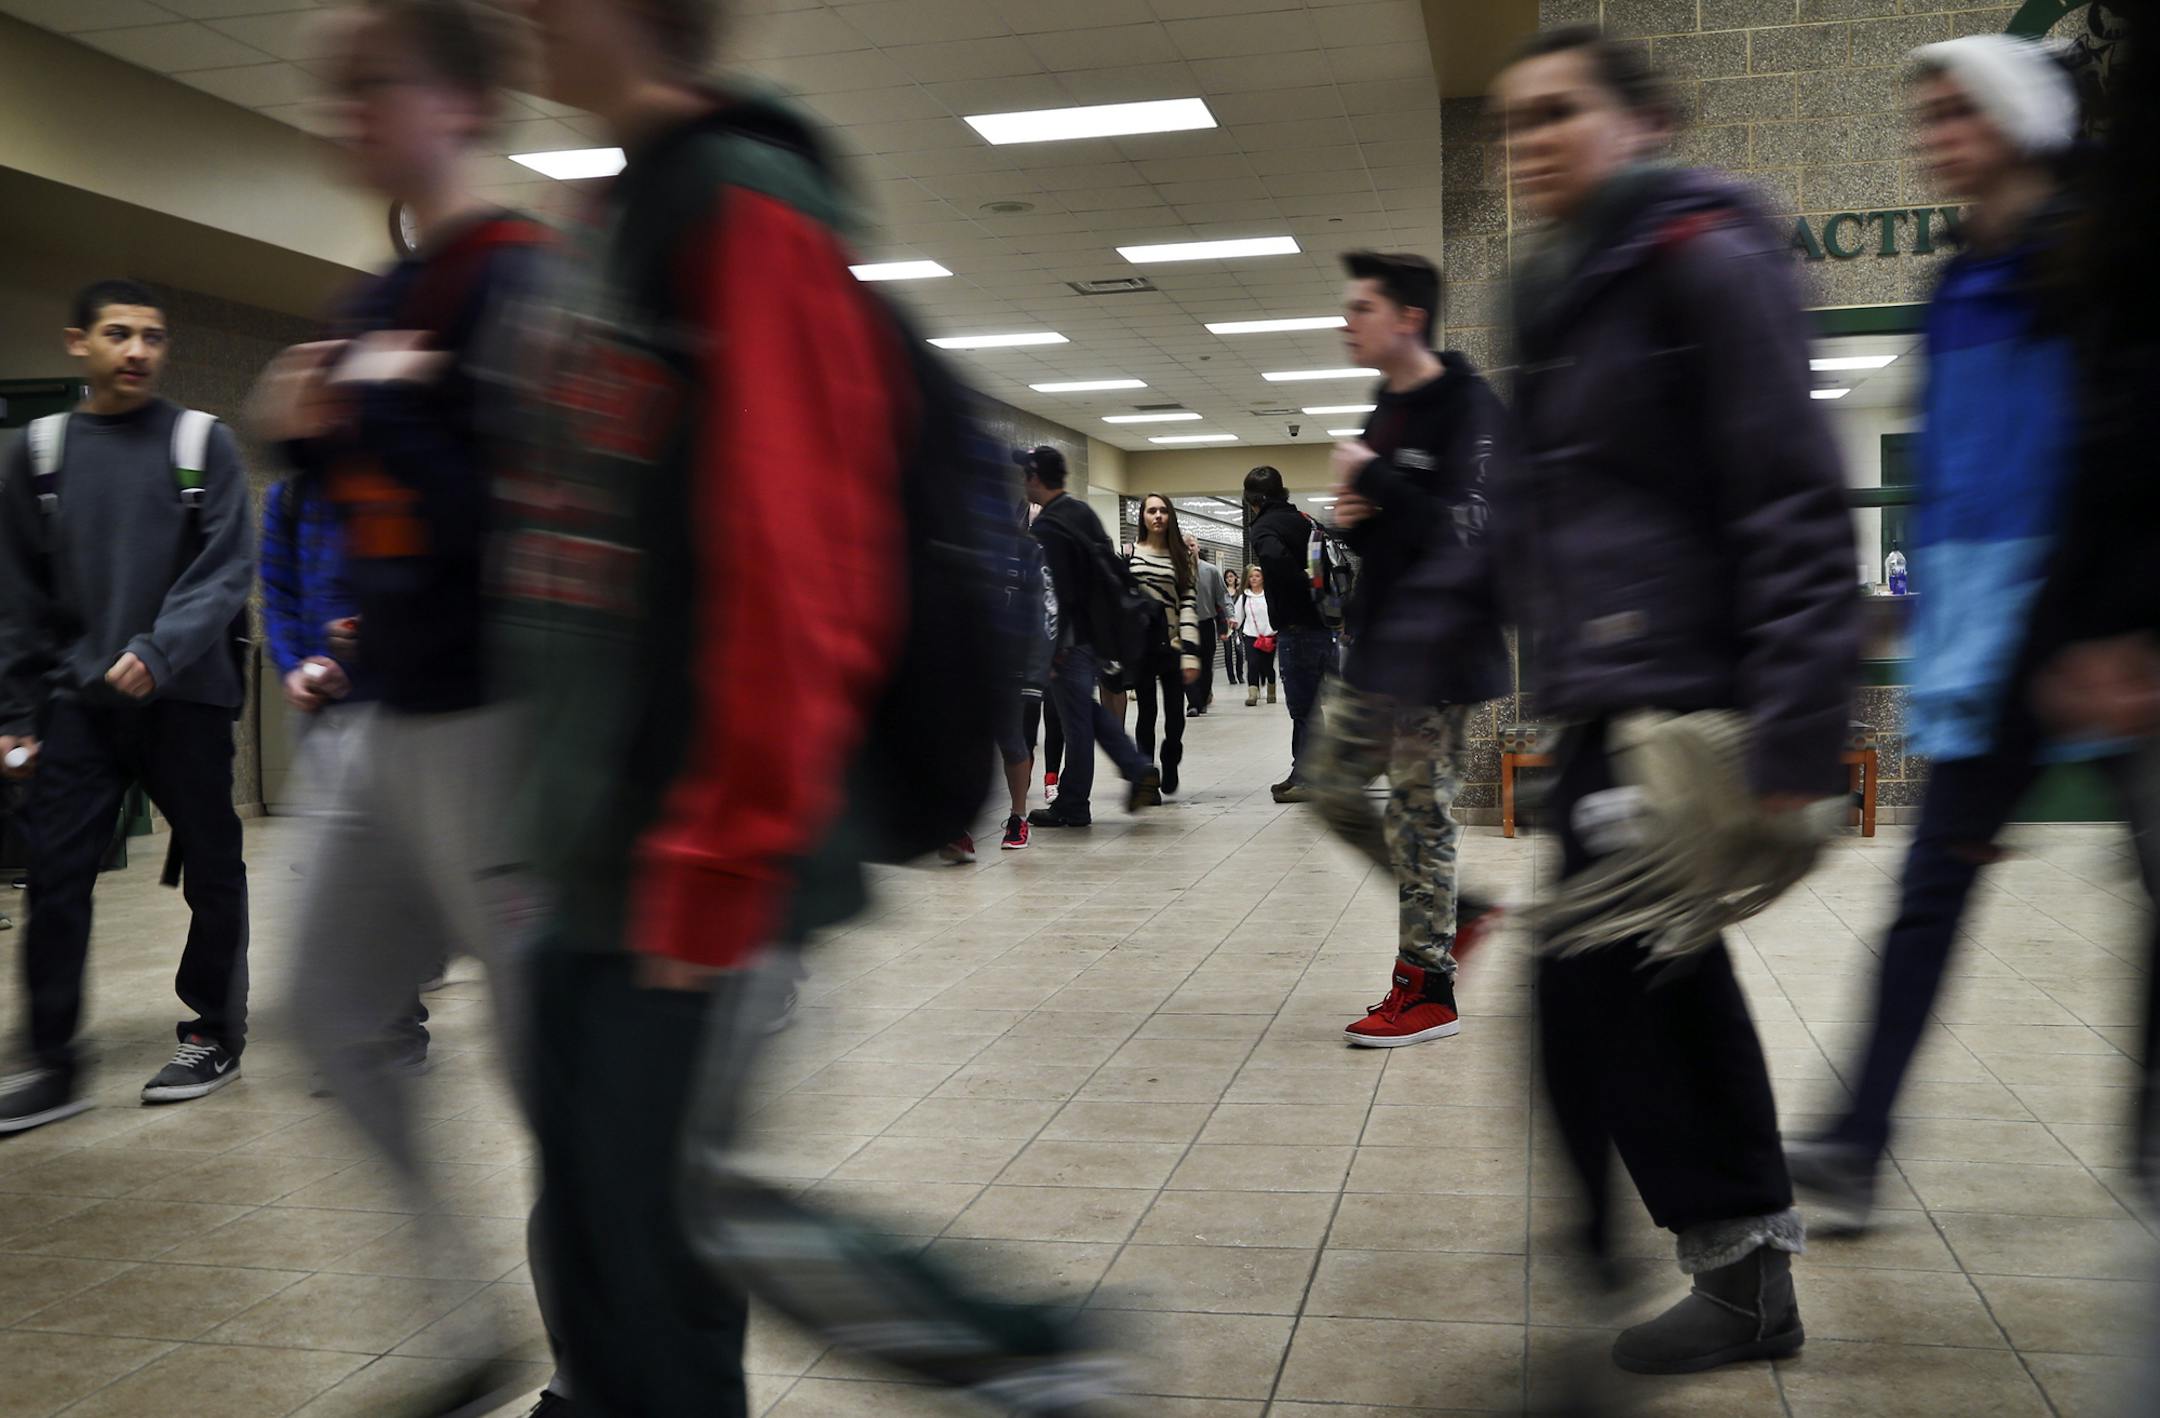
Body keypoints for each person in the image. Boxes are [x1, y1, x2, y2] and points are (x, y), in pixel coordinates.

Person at [498, 4, 1121, 1413]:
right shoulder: (623, 212)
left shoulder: (739, 206)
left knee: (668, 1221)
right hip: (598, 830)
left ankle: (1025, 1351)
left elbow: (793, 561)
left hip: (698, 833)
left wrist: (722, 850)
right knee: (609, 1212)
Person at [1494, 27, 1857, 1374]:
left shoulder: (1704, 255)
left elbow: (1794, 498)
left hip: (1681, 702)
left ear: (1642, 122)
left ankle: (1701, 1265)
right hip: (1607, 693)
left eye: (1560, 112)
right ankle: (1721, 1260)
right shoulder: (1565, 292)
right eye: (1515, 121)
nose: (1531, 140)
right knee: (1643, 981)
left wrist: (1800, 730)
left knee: (1611, 987)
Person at [245, 3, 561, 1409]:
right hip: (384, 719)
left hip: (503, 726)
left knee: (557, 1074)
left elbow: (508, 523)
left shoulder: (524, 285)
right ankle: (461, 1306)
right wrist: (307, 428)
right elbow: (353, 494)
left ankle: (607, 1361)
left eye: (375, 86)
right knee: (322, 1006)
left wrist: (381, 415)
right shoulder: (379, 302)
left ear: (462, 100)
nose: (347, 114)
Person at [1785, 34, 2142, 1231]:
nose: (1933, 132)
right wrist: (1911, 602)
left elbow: (2128, 452)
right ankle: (1855, 1137)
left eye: (1956, 110)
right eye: (1923, 112)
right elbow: (1960, 473)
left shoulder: (2106, 249)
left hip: (2116, 626)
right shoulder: (1956, 281)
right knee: (1931, 890)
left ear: (2017, 119)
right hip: (2000, 630)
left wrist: (2123, 627)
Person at [0, 279, 254, 1132]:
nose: (137, 350)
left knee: (211, 868)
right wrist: (15, 714)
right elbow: (17, 599)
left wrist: (157, 651)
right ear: (79, 343)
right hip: (78, 701)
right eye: (118, 334)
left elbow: (222, 568)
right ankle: (54, 1062)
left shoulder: (198, 441)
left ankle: (212, 1031)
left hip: (184, 695)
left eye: (151, 336)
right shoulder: (36, 452)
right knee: (57, 877)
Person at [1307, 250, 1511, 1048]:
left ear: (1408, 320)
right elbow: (1399, 526)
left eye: (1361, 308)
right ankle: (1459, 911)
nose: (1345, 322)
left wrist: (1379, 484)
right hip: (1381, 647)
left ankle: (1428, 990)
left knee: (1419, 818)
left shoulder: (1468, 407)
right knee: (1329, 791)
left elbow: (1475, 533)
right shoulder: (1380, 410)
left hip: (1445, 648)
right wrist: (1356, 517)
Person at [259, 470, 434, 1072]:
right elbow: (278, 593)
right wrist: (291, 664)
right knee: (330, 868)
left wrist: (358, 652)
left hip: (392, 701)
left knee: (390, 863)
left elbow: (423, 587)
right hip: (319, 704)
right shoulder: (290, 494)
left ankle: (397, 1029)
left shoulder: (396, 476)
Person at [1027, 447, 1163, 828]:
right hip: (1097, 633)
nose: (1024, 482)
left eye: (1027, 475)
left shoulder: (1048, 527)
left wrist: (1050, 649)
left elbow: (1057, 594)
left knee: (1076, 723)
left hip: (1068, 639)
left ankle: (1075, 803)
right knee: (1084, 713)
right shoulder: (1081, 512)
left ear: (1036, 477)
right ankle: (1135, 768)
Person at [1244, 465, 1330, 800]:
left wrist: (1299, 590)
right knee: (1314, 705)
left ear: (1253, 499)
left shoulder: (1264, 526)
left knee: (1303, 706)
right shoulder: (1306, 521)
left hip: (1298, 629)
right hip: (1323, 627)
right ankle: (1305, 772)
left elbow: (1278, 564)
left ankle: (1309, 778)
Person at [1127, 495, 1200, 795]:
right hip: (1141, 646)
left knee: (1175, 714)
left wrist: (1191, 653)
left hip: (1172, 644)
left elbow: (1188, 603)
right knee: (1146, 714)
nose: (1157, 516)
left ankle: (1170, 758)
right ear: (1142, 517)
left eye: (1163, 511)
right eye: (1151, 510)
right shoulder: (1128, 554)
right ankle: (1148, 779)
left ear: (1170, 516)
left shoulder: (1181, 557)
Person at [1186, 537, 1231, 716]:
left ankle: (1203, 698)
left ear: (1197, 547)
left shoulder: (1211, 571)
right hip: (1185, 625)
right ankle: (1193, 704)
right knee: (1187, 664)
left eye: (1191, 545)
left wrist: (1231, 616)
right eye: (1184, 546)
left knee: (1205, 665)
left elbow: (1223, 597)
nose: (1188, 549)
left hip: (1205, 623)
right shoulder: (1175, 570)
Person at [1239, 564, 1277, 707]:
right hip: (1251, 635)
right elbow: (1238, 616)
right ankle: (1252, 694)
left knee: (1267, 666)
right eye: (1251, 577)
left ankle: (1271, 689)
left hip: (1269, 635)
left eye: (1257, 576)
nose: (1254, 579)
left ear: (1263, 578)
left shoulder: (1269, 595)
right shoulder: (1245, 597)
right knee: (1252, 663)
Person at [1221, 566, 1245, 687]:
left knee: (1239, 651)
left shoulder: (1240, 591)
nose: (1229, 579)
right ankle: (1231, 677)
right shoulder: (1223, 592)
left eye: (1231, 576)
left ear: (1235, 577)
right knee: (1228, 652)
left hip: (1238, 625)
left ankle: (1240, 674)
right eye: (1227, 577)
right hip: (1226, 626)